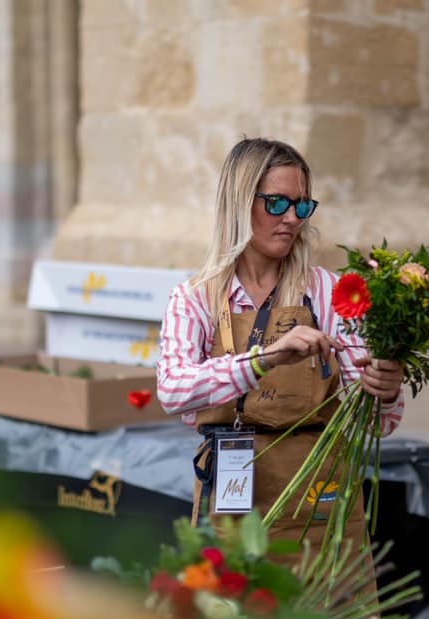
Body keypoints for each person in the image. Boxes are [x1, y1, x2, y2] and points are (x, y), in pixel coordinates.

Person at [156, 137, 404, 556]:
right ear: (239, 203)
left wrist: (386, 390)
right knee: (235, 615)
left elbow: (374, 424)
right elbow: (173, 390)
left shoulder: (326, 292)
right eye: (276, 204)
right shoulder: (195, 298)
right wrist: (264, 359)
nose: (291, 218)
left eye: (302, 206)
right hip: (232, 496)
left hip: (318, 495)